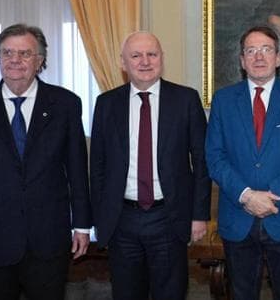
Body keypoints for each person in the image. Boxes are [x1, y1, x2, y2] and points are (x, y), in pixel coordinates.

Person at [0, 23, 91, 300]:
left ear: (40, 60)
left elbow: (77, 171)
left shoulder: (65, 104)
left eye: (25, 53)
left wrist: (82, 225)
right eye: (7, 52)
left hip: (48, 239)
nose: (15, 60)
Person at [90, 31, 210, 300]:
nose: (145, 61)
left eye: (152, 54)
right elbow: (97, 166)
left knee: (171, 293)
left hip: (169, 217)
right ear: (123, 63)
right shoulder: (106, 103)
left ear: (161, 59)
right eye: (136, 55)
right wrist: (100, 218)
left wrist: (199, 215)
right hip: (121, 219)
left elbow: (202, 162)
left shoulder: (186, 100)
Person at [205, 25, 280, 300]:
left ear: (278, 58)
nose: (259, 56)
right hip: (238, 218)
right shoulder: (223, 100)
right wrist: (246, 195)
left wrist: (270, 196)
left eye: (266, 49)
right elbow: (215, 157)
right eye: (251, 51)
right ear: (242, 61)